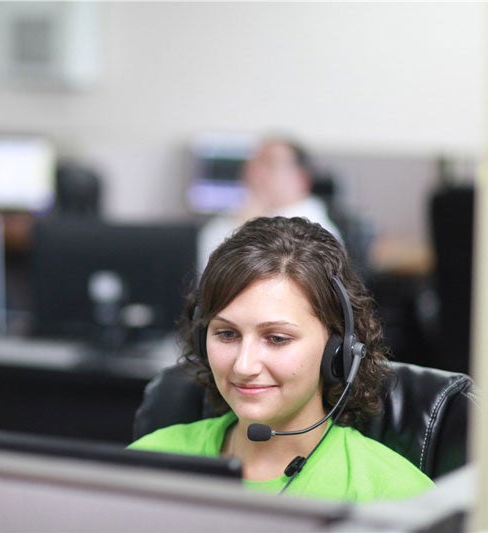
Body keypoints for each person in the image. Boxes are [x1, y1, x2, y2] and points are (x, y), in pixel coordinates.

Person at [129, 216, 433, 501]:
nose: (244, 366)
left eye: (277, 339)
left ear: (338, 350)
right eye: (227, 334)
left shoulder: (396, 496)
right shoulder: (148, 465)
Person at [197, 137, 342, 271]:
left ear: (301, 179)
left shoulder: (319, 232)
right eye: (252, 163)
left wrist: (247, 229)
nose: (254, 172)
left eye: (269, 164)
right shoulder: (221, 225)